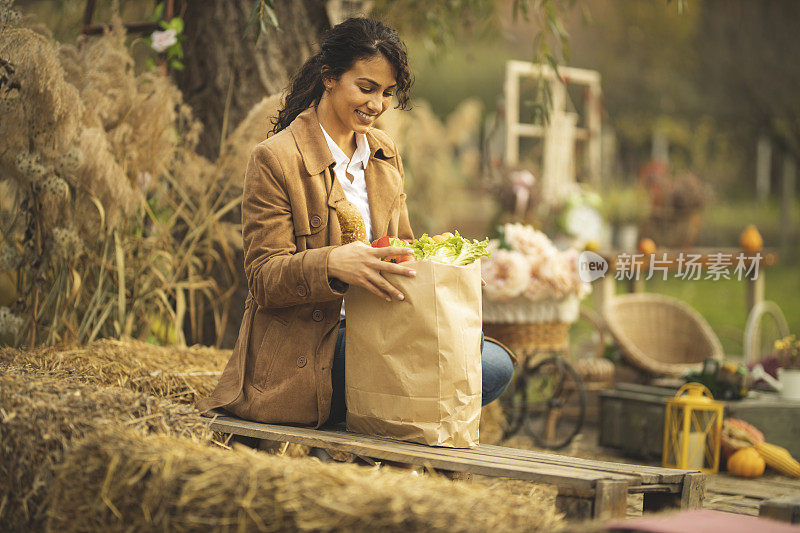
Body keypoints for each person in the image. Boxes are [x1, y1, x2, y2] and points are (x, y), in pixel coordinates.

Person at [196, 17, 514, 428]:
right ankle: (379, 440)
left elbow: (400, 246)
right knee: (443, 373)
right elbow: (262, 277)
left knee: (495, 363)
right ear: (329, 77)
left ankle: (379, 440)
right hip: (316, 345)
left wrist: (440, 265)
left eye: (386, 93)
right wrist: (331, 264)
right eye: (366, 88)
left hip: (383, 324)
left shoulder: (384, 152)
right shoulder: (275, 158)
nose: (377, 105)